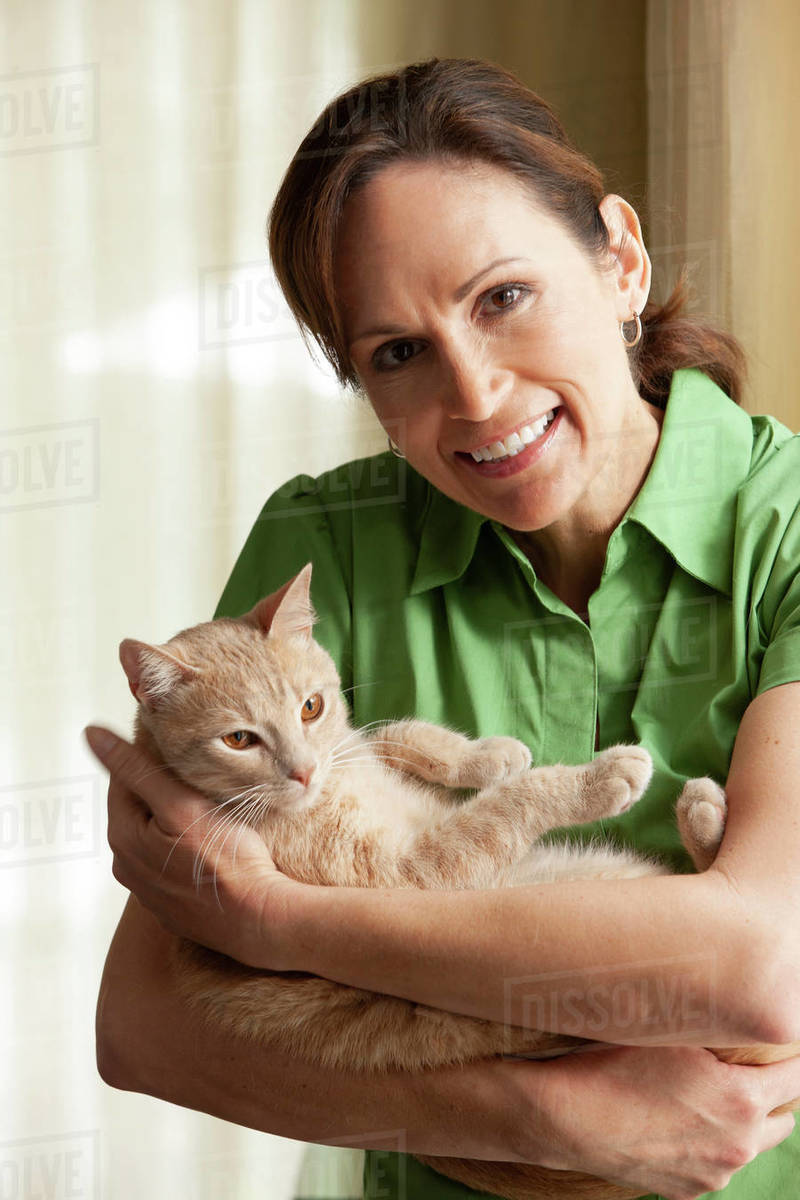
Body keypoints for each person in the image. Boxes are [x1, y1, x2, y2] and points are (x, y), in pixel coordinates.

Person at [85, 58, 800, 1200]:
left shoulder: (789, 527)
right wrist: (537, 1118)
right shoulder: (325, 543)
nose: (471, 395)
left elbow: (765, 969)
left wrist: (283, 925)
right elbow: (145, 1029)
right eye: (396, 354)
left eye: (501, 297)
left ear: (619, 262)